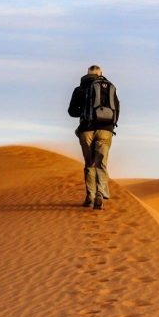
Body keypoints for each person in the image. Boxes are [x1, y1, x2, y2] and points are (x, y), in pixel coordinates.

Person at [68, 65, 120, 210]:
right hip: (106, 130)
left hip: (86, 130)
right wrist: (110, 124)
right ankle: (100, 193)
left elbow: (71, 111)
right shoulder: (109, 87)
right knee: (101, 164)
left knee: (89, 164)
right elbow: (117, 108)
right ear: (100, 74)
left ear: (87, 74)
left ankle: (90, 197)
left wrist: (85, 112)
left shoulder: (79, 89)